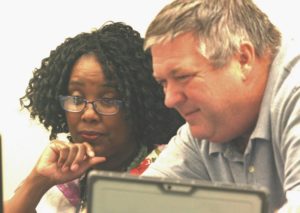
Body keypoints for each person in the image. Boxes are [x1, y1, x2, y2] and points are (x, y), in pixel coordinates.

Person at [4, 22, 184, 213]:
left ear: (138, 105)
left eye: (108, 100)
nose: (88, 114)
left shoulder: (171, 166)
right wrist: (39, 180)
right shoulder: (66, 173)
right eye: (76, 98)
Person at [141, 0, 300, 212]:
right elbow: (138, 200)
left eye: (183, 77)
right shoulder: (209, 126)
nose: (169, 100)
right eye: (163, 83)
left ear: (243, 59)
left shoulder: (294, 90)